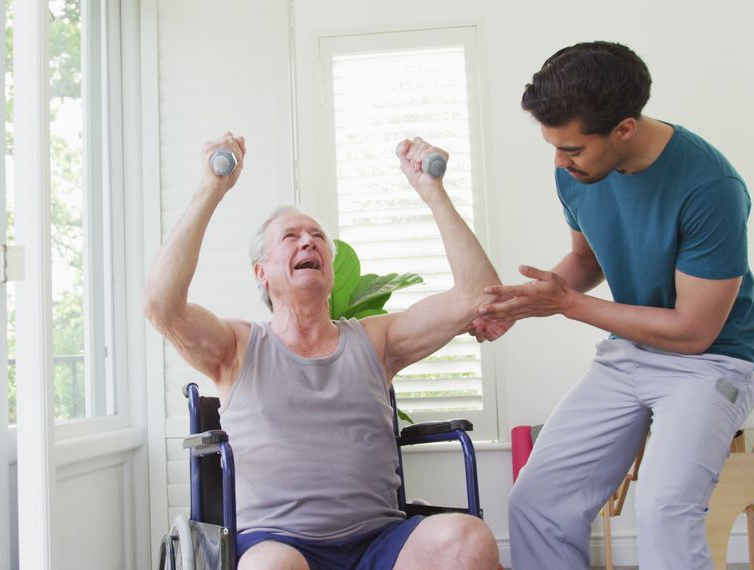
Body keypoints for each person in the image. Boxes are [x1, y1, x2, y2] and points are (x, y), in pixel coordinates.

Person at [142, 132, 501, 570]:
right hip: (279, 544)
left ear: (329, 267)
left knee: (468, 540)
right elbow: (161, 305)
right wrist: (212, 187)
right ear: (262, 272)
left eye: (317, 236)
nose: (308, 242)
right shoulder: (236, 347)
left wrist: (433, 192)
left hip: (379, 539)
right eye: (290, 237)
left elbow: (478, 295)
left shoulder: (375, 341)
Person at [479, 41, 754, 569]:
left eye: (572, 150)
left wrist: (566, 305)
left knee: (663, 510)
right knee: (536, 502)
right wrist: (523, 303)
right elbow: (585, 258)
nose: (560, 162)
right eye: (553, 147)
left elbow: (694, 331)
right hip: (631, 353)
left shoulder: (710, 187)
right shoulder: (577, 171)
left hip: (712, 362)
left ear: (624, 130)